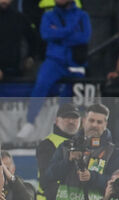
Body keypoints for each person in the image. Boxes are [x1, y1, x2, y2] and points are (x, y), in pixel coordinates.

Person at [18, 0, 91, 140]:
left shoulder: (82, 16)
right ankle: (30, 122)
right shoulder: (48, 15)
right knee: (40, 85)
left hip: (76, 62)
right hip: (54, 60)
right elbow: (46, 34)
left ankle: (72, 132)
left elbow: (84, 38)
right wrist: (70, 30)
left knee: (71, 95)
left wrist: (58, 32)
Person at [43, 103, 119, 200]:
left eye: (99, 122)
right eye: (91, 120)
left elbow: (115, 185)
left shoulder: (113, 152)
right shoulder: (66, 146)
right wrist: (67, 160)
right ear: (84, 121)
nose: (94, 125)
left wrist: (92, 177)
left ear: (105, 124)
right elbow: (48, 177)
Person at [36, 103, 81, 200]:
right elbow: (46, 179)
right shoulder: (47, 144)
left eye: (74, 118)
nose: (71, 121)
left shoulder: (83, 143)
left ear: (81, 121)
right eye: (66, 117)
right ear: (57, 120)